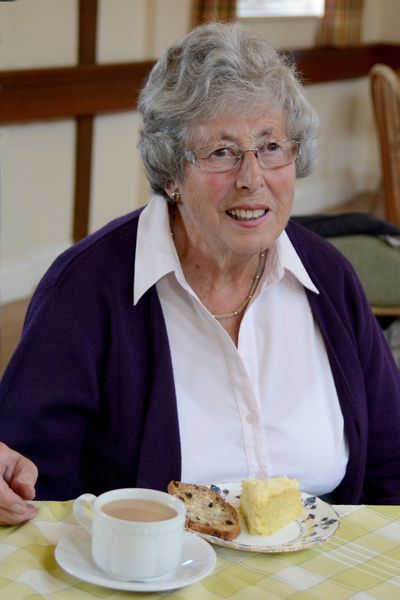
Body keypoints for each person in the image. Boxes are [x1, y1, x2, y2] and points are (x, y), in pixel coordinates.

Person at [0, 22, 400, 526]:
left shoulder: (330, 279)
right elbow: (31, 487)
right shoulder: (85, 290)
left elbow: (391, 463)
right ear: (171, 172)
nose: (252, 178)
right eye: (222, 152)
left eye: (271, 147)